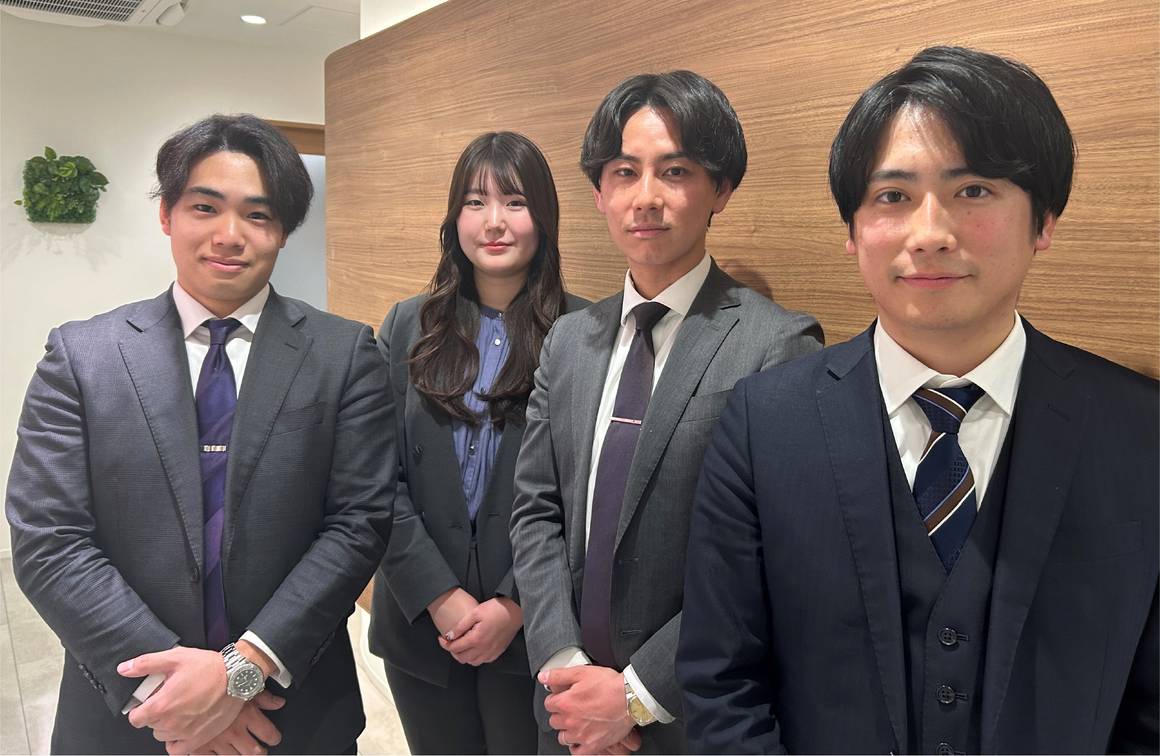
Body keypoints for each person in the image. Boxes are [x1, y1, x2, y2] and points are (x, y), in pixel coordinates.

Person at [678, 46, 1159, 754]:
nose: (930, 234)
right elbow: (721, 687)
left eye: (974, 190)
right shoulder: (761, 424)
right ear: (852, 231)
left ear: (1044, 221)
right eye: (893, 197)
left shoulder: (1142, 433)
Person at [5, 114, 394, 754]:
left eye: (258, 215)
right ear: (167, 214)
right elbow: (49, 539)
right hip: (129, 718)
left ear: (284, 231)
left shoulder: (344, 354)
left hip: (290, 712)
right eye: (205, 207)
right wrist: (175, 693)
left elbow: (359, 523)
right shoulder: (82, 357)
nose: (229, 235)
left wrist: (241, 671)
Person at [509, 71, 824, 755]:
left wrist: (633, 696)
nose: (645, 197)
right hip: (564, 710)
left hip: (691, 718)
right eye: (625, 172)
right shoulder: (568, 340)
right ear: (600, 192)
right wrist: (562, 664)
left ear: (721, 189)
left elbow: (773, 554)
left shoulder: (777, 343)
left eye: (675, 171)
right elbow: (535, 509)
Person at [368, 131, 588, 754]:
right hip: (421, 620)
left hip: (537, 623)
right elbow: (371, 477)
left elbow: (587, 492)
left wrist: (514, 604)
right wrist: (438, 595)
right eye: (474, 202)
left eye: (515, 202)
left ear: (544, 218)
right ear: (454, 218)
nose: (494, 222)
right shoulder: (406, 325)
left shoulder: (586, 332)